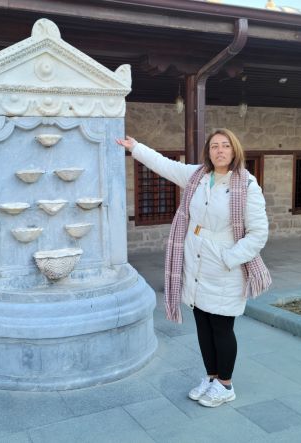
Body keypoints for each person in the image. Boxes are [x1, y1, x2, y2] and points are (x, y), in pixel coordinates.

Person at [116, 129, 271, 408]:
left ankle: (226, 384)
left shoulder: (247, 185)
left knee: (222, 326)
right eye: (214, 146)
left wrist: (229, 258)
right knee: (202, 325)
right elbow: (165, 165)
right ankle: (211, 378)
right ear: (208, 152)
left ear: (235, 150)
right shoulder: (197, 176)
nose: (220, 151)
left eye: (225, 146)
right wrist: (136, 147)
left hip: (224, 264)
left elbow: (258, 233)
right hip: (195, 258)